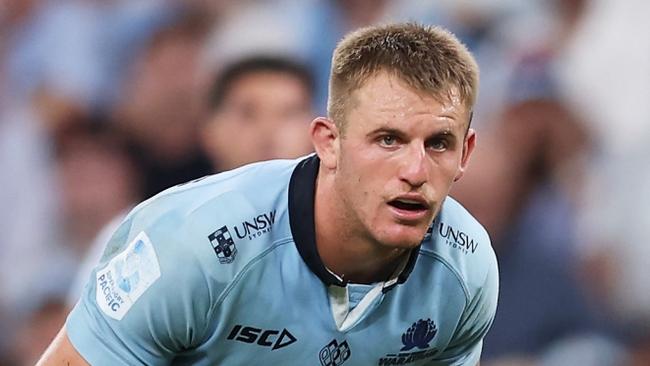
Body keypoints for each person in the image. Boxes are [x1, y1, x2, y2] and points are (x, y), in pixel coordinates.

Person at [39, 23, 498, 365]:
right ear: (328, 142)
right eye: (388, 140)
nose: (415, 171)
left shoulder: (466, 270)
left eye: (438, 143)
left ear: (466, 152)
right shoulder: (189, 245)